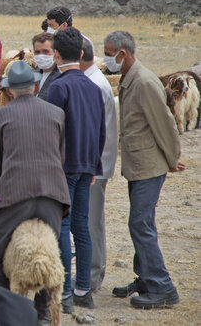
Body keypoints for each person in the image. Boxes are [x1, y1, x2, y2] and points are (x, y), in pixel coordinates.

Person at [0, 61, 70, 326]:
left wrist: (3, 188)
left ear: (9, 91)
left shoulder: (0, 116)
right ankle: (43, 314)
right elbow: (60, 154)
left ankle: (4, 314)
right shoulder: (56, 113)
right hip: (52, 193)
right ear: (35, 86)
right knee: (49, 252)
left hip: (14, 193)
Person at [105, 31, 183, 309]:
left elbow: (165, 123)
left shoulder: (144, 81)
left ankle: (163, 287)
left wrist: (172, 158)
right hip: (139, 165)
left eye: (109, 52)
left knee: (140, 224)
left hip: (149, 166)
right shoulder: (131, 78)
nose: (107, 58)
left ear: (122, 54)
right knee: (143, 223)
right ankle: (147, 278)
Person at [47, 27, 105, 312]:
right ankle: (84, 290)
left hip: (63, 166)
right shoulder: (95, 88)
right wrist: (95, 166)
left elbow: (51, 132)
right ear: (81, 54)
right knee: (82, 227)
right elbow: (101, 131)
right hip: (87, 165)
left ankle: (65, 292)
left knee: (63, 226)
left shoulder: (58, 87)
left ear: (56, 54)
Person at [79, 38, 118, 292]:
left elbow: (94, 132)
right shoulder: (91, 81)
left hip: (94, 166)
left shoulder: (94, 84)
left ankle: (92, 277)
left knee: (92, 221)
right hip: (93, 164)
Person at [32, 32, 61, 101]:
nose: (41, 56)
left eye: (46, 51)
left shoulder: (62, 77)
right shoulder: (35, 74)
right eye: (37, 52)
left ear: (56, 52)